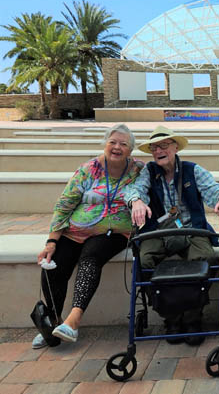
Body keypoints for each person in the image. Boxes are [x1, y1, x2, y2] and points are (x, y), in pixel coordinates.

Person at [33, 124, 143, 348]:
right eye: (112, 142)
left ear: (131, 151)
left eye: (123, 144)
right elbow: (65, 204)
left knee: (91, 258)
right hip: (76, 231)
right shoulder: (88, 169)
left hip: (114, 232)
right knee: (54, 265)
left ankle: (73, 321)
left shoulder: (138, 170)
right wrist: (52, 240)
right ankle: (52, 323)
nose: (117, 147)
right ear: (105, 144)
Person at [125, 126, 219, 346]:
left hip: (192, 229)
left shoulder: (192, 170)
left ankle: (193, 318)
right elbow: (135, 189)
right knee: (144, 260)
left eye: (164, 145)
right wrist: (136, 201)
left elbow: (214, 189)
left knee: (205, 258)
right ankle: (171, 317)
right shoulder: (149, 172)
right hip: (159, 231)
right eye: (155, 148)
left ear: (175, 147)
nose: (159, 151)